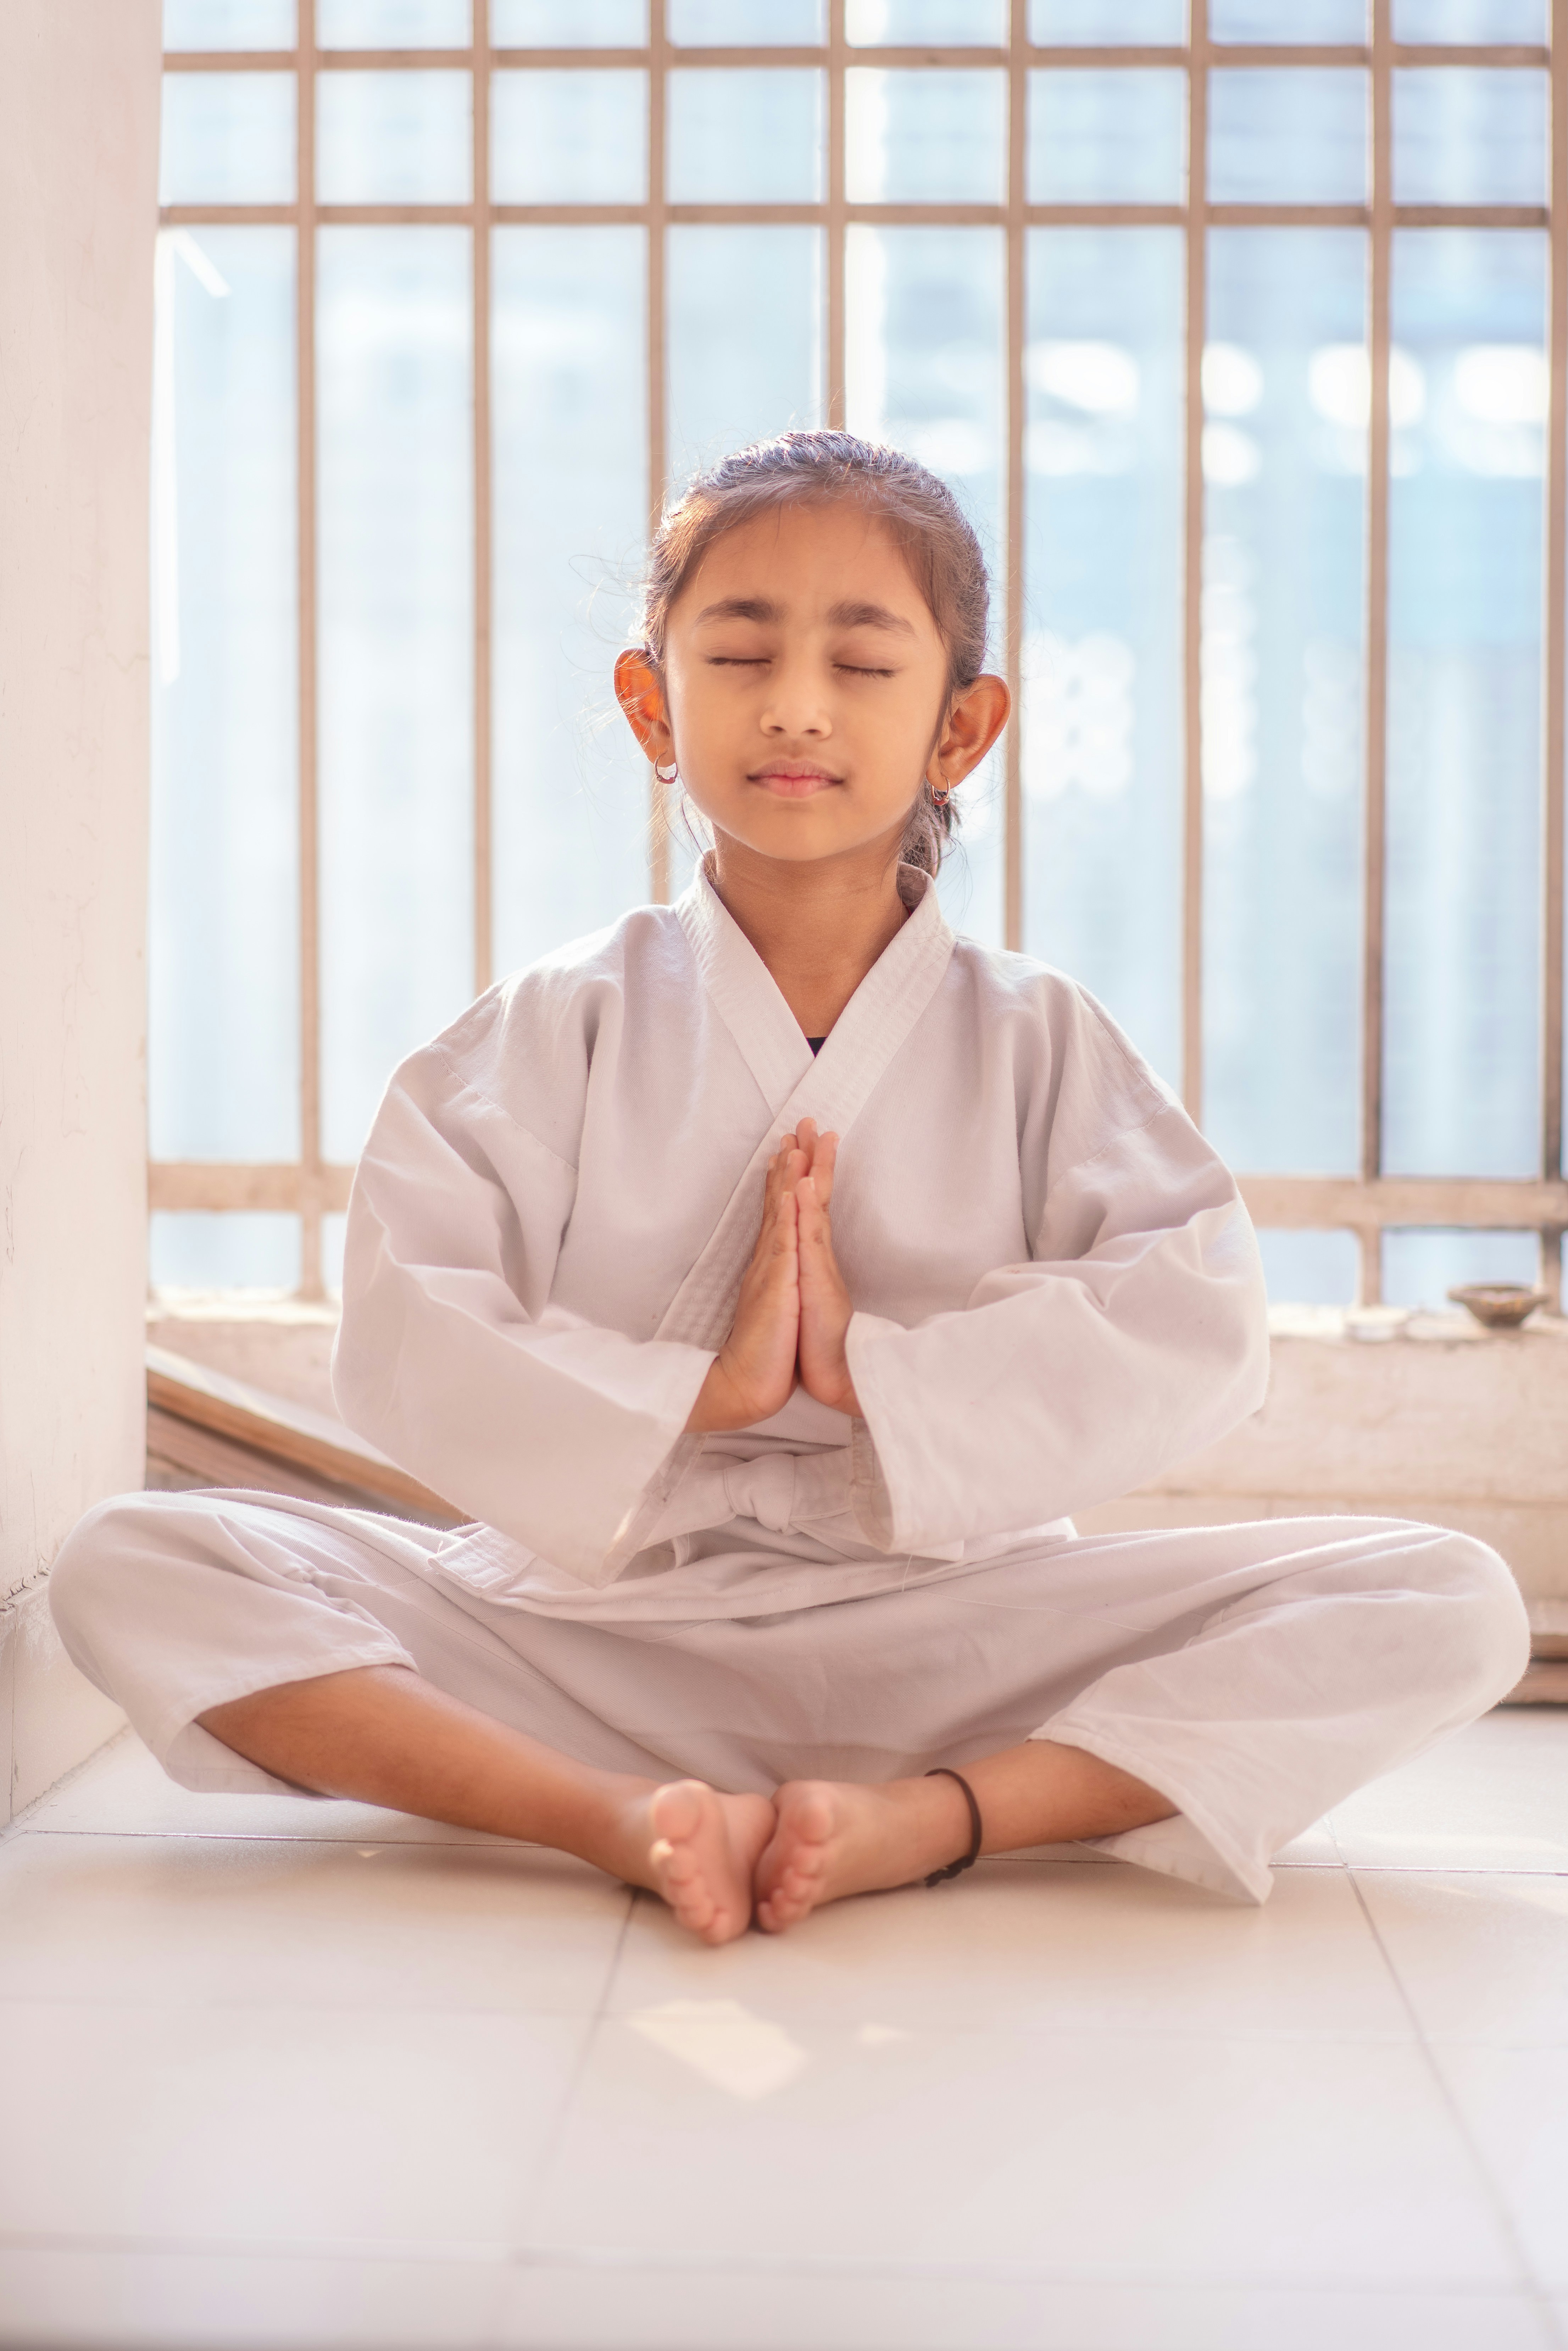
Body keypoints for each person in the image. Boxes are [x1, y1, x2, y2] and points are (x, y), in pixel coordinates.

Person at [51, 431, 1528, 1945]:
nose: (797, 705)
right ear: (650, 703)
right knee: (134, 1558)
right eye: (740, 650)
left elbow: (1193, 1314)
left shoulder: (1034, 1036)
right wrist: (699, 1389)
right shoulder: (549, 1026)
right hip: (589, 1623)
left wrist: (873, 1379)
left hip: (943, 1624)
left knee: (1440, 1594)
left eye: (864, 662)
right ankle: (609, 1814)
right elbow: (411, 1323)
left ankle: (929, 1817)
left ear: (962, 727)